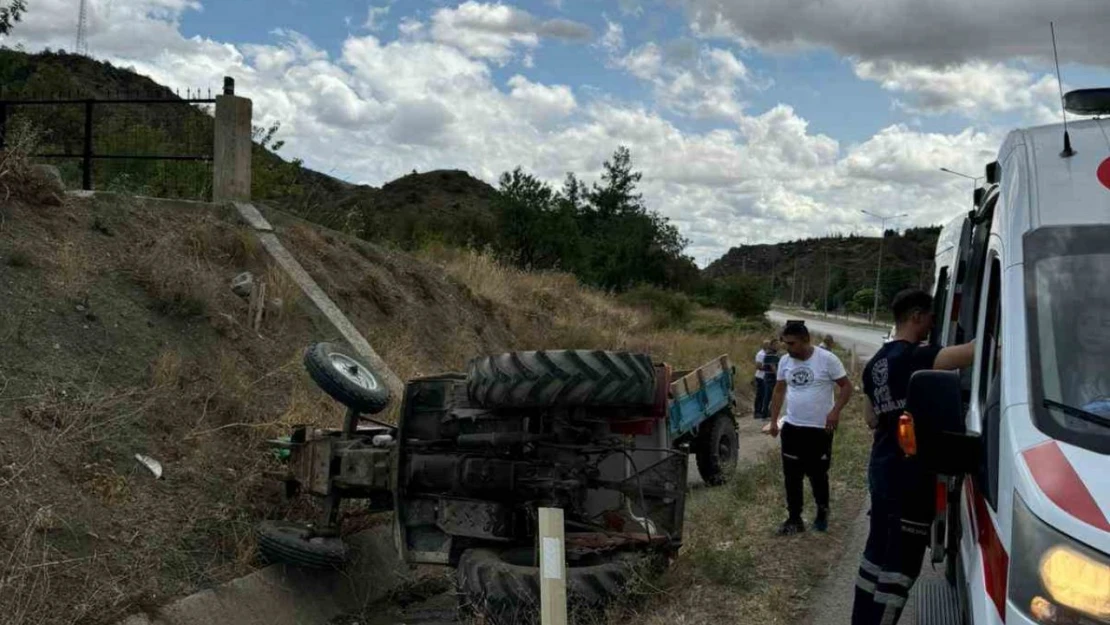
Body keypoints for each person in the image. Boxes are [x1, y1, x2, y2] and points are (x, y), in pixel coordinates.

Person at [851, 289, 975, 625]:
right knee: (900, 568)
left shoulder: (875, 362)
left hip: (882, 471)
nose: (933, 324)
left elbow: (871, 419)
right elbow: (973, 353)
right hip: (910, 477)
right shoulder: (916, 357)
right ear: (917, 317)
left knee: (875, 556)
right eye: (931, 318)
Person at [768, 322, 852, 534]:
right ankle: (794, 519)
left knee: (817, 474)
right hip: (793, 427)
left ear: (806, 340)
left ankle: (822, 512)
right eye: (785, 343)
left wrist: (835, 412)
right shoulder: (785, 361)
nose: (788, 347)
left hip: (819, 429)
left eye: (792, 343)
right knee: (792, 475)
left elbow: (846, 387)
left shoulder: (827, 359)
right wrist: (774, 420)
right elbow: (779, 391)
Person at [759, 340, 781, 420]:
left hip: (768, 377)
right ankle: (768, 414)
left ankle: (765, 414)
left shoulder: (772, 353)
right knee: (773, 396)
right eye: (776, 345)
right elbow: (773, 366)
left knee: (768, 397)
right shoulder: (771, 354)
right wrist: (778, 377)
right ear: (772, 345)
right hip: (771, 377)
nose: (778, 346)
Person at [753, 340, 770, 419]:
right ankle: (757, 412)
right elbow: (758, 366)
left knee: (765, 395)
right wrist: (767, 368)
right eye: (767, 344)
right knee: (760, 395)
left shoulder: (768, 354)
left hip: (766, 377)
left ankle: (764, 411)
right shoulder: (761, 354)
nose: (768, 346)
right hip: (760, 377)